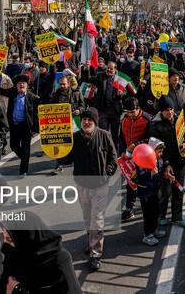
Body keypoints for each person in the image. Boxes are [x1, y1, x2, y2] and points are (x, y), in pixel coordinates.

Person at [61, 107, 117, 272]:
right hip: (82, 184)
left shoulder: (104, 135)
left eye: (89, 120)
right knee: (87, 217)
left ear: (95, 122)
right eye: (84, 120)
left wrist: (107, 174)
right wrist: (57, 150)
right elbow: (66, 158)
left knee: (97, 219)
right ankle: (91, 241)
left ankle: (95, 254)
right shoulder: (75, 138)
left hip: (100, 185)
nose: (86, 122)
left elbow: (113, 157)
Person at [0, 212, 81, 294]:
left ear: (25, 238)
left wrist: (15, 289)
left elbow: (72, 291)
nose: (5, 243)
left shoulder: (59, 259)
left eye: (10, 240)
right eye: (4, 238)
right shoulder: (13, 253)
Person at [0, 74, 40, 177]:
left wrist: (36, 129)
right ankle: (25, 158)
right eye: (19, 83)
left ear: (27, 85)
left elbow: (37, 114)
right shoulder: (12, 92)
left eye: (23, 83)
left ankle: (23, 171)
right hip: (14, 125)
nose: (21, 85)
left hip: (26, 126)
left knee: (26, 149)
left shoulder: (32, 97)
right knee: (14, 146)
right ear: (16, 85)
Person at [151, 96, 185, 228]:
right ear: (161, 111)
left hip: (180, 161)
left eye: (171, 109)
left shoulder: (179, 119)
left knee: (178, 191)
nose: (170, 112)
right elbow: (156, 149)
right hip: (165, 165)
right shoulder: (155, 126)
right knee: (165, 192)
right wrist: (166, 164)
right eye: (167, 110)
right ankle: (161, 216)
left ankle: (177, 217)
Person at [117, 96, 152, 221]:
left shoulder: (147, 120)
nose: (130, 115)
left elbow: (151, 139)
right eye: (127, 112)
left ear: (138, 109)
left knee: (145, 184)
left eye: (132, 112)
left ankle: (148, 209)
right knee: (130, 182)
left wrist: (136, 145)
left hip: (143, 157)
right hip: (129, 158)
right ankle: (129, 208)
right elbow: (121, 138)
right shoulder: (124, 120)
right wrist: (121, 151)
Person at [50, 75, 86, 175]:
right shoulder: (55, 94)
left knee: (76, 144)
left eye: (64, 84)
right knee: (60, 144)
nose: (62, 86)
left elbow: (83, 106)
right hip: (60, 124)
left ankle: (79, 163)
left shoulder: (77, 93)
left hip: (74, 123)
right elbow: (50, 107)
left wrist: (79, 110)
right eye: (60, 84)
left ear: (69, 84)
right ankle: (59, 164)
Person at [135, 138, 167, 246]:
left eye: (162, 151)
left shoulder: (160, 160)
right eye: (159, 151)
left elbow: (161, 171)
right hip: (145, 193)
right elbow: (139, 176)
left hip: (155, 190)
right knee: (148, 214)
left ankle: (154, 230)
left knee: (155, 211)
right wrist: (150, 174)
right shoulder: (141, 161)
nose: (161, 154)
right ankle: (147, 235)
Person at [92, 62, 125, 144]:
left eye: (111, 68)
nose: (109, 70)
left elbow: (126, 91)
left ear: (115, 69)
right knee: (103, 133)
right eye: (108, 68)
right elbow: (88, 78)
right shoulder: (100, 76)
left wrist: (121, 94)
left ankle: (114, 153)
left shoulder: (120, 78)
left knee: (115, 135)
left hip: (115, 111)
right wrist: (87, 68)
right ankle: (104, 150)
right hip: (103, 110)